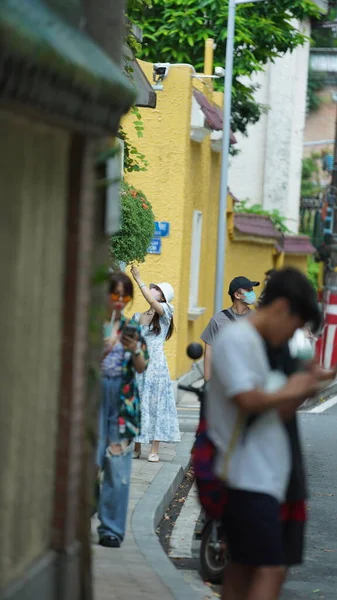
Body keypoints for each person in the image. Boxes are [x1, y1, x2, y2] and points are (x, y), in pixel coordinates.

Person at [207, 267, 334, 600]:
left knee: (244, 566)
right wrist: (292, 389)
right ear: (281, 309)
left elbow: (274, 409)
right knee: (270, 568)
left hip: (265, 476)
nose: (291, 335)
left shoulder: (258, 341)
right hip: (246, 477)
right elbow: (247, 398)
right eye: (294, 325)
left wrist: (302, 388)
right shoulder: (237, 339)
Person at [96, 272, 149, 548]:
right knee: (90, 462)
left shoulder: (132, 328)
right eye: (114, 295)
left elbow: (142, 367)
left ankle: (111, 530)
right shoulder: (94, 325)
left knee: (117, 467)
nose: (119, 301)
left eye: (124, 296)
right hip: (93, 396)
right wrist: (103, 350)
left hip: (123, 398)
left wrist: (133, 350)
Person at [131, 265, 181, 462]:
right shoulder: (139, 316)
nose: (154, 291)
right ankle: (137, 446)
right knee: (139, 402)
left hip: (157, 366)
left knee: (156, 404)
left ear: (163, 298)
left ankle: (154, 449)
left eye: (158, 290)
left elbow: (150, 300)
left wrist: (139, 280)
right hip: (140, 364)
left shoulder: (166, 311)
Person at [201, 276, 260, 381]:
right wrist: (207, 381)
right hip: (224, 378)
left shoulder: (257, 319)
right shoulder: (217, 320)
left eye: (252, 290)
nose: (252, 293)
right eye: (249, 290)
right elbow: (209, 352)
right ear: (237, 295)